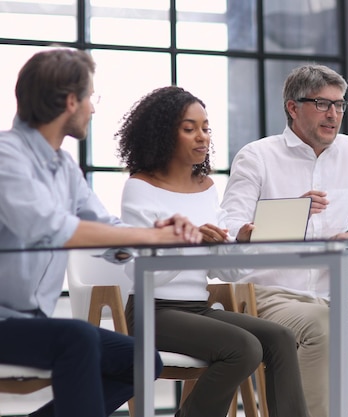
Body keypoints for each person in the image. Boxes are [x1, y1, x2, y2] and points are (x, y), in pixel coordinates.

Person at [0, 48, 203, 417]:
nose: (93, 109)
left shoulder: (62, 166)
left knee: (142, 361)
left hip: (30, 324)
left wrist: (157, 232)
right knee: (76, 340)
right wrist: (148, 238)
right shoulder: (6, 156)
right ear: (71, 101)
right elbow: (47, 228)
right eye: (91, 98)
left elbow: (108, 229)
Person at [220, 64, 348, 417]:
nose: (334, 114)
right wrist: (293, 212)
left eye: (340, 105)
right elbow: (231, 227)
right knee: (321, 329)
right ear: (293, 107)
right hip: (270, 294)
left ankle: (327, 409)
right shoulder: (257, 156)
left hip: (336, 293)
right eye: (323, 104)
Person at [116, 85, 310, 417]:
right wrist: (188, 244)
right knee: (243, 347)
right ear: (163, 134)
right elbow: (138, 272)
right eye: (189, 129)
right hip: (152, 312)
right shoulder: (140, 187)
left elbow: (229, 273)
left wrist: (239, 245)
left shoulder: (206, 188)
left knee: (279, 337)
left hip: (197, 308)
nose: (202, 137)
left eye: (205, 128)